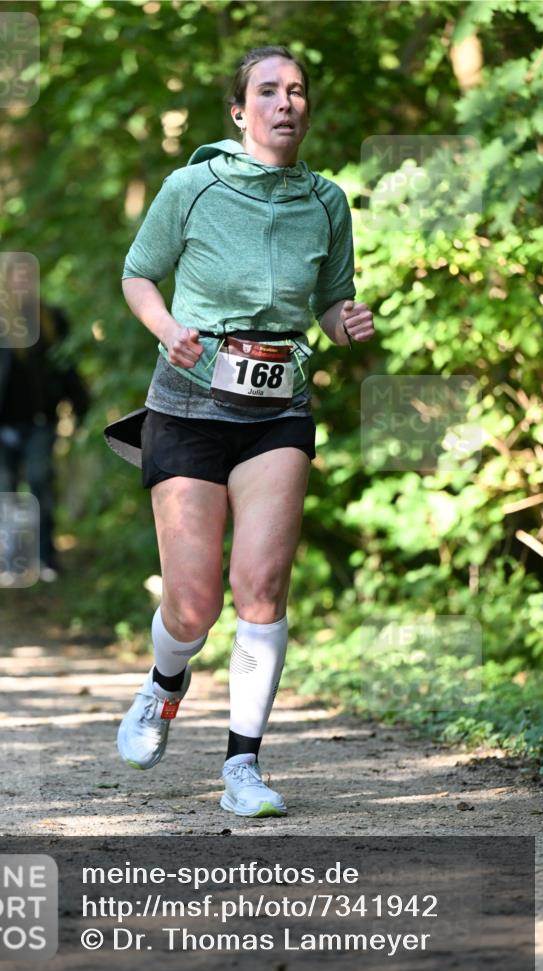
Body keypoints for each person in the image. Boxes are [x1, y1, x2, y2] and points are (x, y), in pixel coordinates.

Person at [113, 46, 375, 816]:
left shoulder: (326, 201)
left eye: (296, 91)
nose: (285, 103)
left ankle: (243, 767)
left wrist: (342, 319)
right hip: (189, 404)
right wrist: (168, 329)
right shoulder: (191, 187)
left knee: (260, 588)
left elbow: (329, 300)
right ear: (239, 111)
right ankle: (163, 688)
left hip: (279, 408)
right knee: (191, 607)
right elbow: (137, 274)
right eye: (268, 91)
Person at [0, 255, 89, 583]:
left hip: (39, 420)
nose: (23, 283)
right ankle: (11, 561)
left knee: (40, 481)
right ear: (4, 279)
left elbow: (66, 368)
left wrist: (81, 408)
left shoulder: (51, 319)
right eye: (17, 276)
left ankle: (45, 559)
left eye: (29, 276)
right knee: (5, 488)